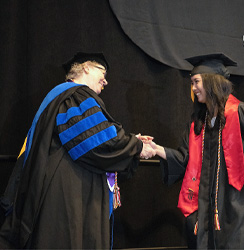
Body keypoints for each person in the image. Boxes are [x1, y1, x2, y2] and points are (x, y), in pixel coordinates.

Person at [0, 52, 155, 249]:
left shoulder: (59, 96)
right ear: (86, 67)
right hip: (66, 197)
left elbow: (92, 134)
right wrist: (136, 146)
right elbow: (99, 143)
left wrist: (130, 141)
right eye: (103, 73)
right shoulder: (76, 95)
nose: (106, 81)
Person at [149, 53, 244, 249]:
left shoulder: (238, 112)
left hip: (237, 205)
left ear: (211, 81)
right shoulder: (199, 124)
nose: (193, 88)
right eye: (191, 83)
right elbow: (185, 159)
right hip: (208, 208)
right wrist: (157, 150)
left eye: (196, 82)